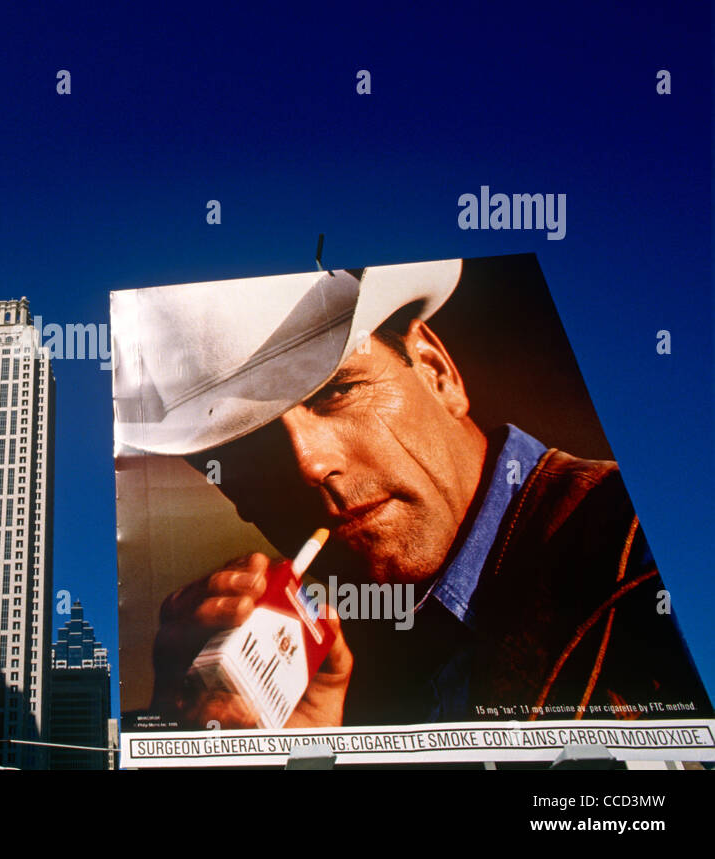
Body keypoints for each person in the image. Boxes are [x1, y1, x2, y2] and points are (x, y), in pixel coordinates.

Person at [111, 259, 712, 729]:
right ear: (237, 494)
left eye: (338, 392)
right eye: (250, 449)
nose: (308, 464)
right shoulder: (313, 668)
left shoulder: (655, 552)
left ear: (437, 371)